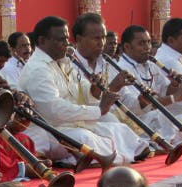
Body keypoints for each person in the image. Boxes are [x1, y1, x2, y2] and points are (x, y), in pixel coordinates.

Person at [17, 15, 122, 166]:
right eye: (61, 39)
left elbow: (81, 89)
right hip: (51, 131)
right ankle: (75, 159)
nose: (67, 43)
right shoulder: (38, 69)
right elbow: (53, 110)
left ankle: (81, 159)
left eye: (67, 38)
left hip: (71, 124)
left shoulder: (64, 62)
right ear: (42, 41)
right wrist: (97, 111)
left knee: (115, 127)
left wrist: (94, 90)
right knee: (85, 138)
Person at [70, 13, 151, 162]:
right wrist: (112, 88)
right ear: (79, 39)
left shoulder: (108, 63)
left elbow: (127, 102)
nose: (101, 43)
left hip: (114, 119)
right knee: (112, 123)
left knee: (117, 123)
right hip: (84, 121)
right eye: (96, 38)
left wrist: (142, 101)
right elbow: (77, 104)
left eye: (103, 37)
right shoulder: (69, 65)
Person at [112, 24, 182, 149]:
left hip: (155, 118)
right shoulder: (121, 69)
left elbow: (164, 92)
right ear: (127, 47)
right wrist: (175, 97)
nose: (147, 48)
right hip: (136, 121)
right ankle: (164, 146)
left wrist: (173, 84)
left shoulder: (151, 64)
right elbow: (138, 106)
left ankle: (174, 144)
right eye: (142, 43)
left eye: (149, 42)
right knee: (162, 117)